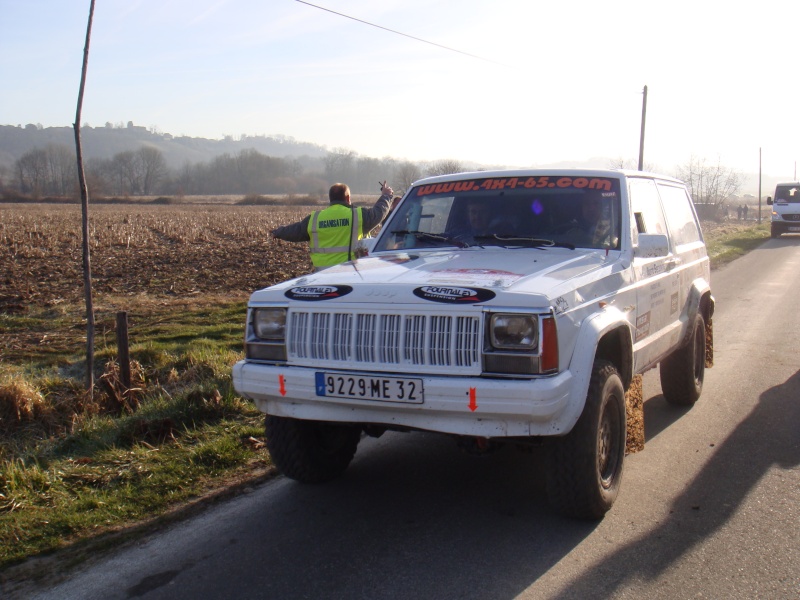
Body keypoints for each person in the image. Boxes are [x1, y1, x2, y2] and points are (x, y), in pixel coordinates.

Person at [271, 181, 393, 270]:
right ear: (348, 198)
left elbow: (295, 231)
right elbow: (379, 212)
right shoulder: (357, 215)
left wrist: (279, 232)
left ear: (331, 199)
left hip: (321, 275)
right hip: (350, 273)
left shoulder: (315, 219)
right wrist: (386, 195)